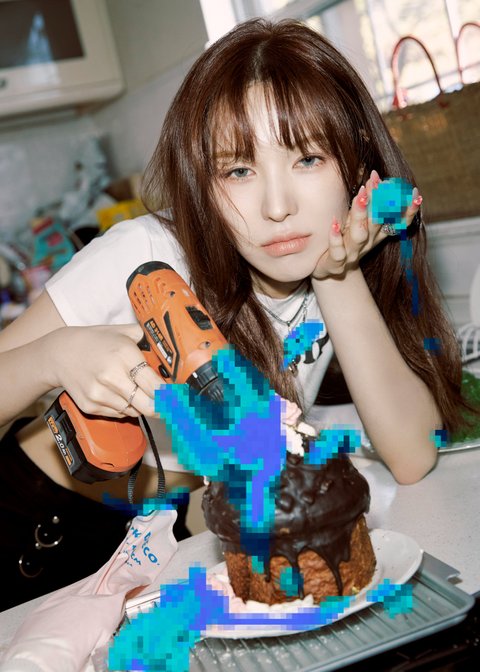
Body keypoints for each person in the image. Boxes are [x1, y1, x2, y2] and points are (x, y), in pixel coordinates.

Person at [0, 19, 465, 609]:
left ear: (356, 166)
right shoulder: (143, 253)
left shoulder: (327, 271)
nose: (277, 206)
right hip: (33, 533)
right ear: (202, 182)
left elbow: (412, 456)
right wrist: (52, 358)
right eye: (238, 171)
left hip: (161, 546)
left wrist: (338, 276)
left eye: (308, 159)